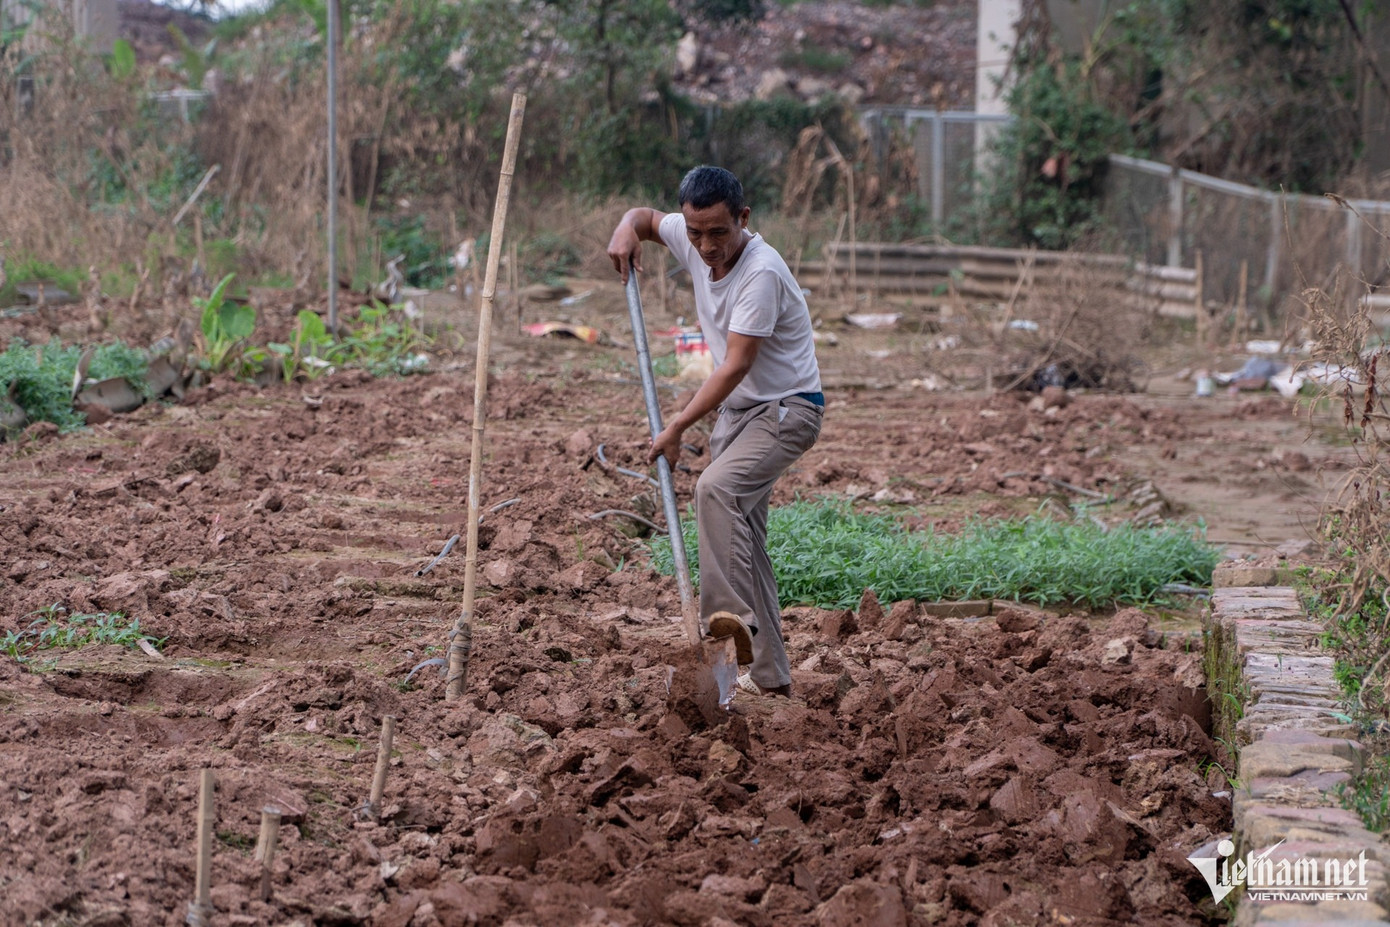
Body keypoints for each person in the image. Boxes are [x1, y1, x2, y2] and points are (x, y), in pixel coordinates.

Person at [606, 165, 823, 698]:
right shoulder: (693, 231)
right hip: (738, 416)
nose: (705, 247)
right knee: (746, 542)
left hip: (785, 410)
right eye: (695, 232)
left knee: (714, 490)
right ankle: (769, 676)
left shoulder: (761, 273)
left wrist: (678, 425)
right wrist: (626, 227)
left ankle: (728, 617)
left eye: (719, 233)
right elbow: (647, 219)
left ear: (743, 219)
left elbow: (734, 366)